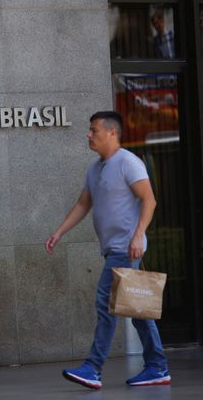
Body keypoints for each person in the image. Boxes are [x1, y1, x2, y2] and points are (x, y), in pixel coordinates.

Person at [45, 111, 170, 389]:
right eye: (89, 130)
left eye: (93, 130)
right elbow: (82, 204)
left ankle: (93, 367)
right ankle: (157, 367)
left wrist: (138, 236)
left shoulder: (128, 162)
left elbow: (149, 201)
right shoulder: (95, 168)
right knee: (137, 310)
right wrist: (59, 232)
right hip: (114, 249)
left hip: (126, 248)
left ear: (111, 133)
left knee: (106, 304)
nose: (88, 135)